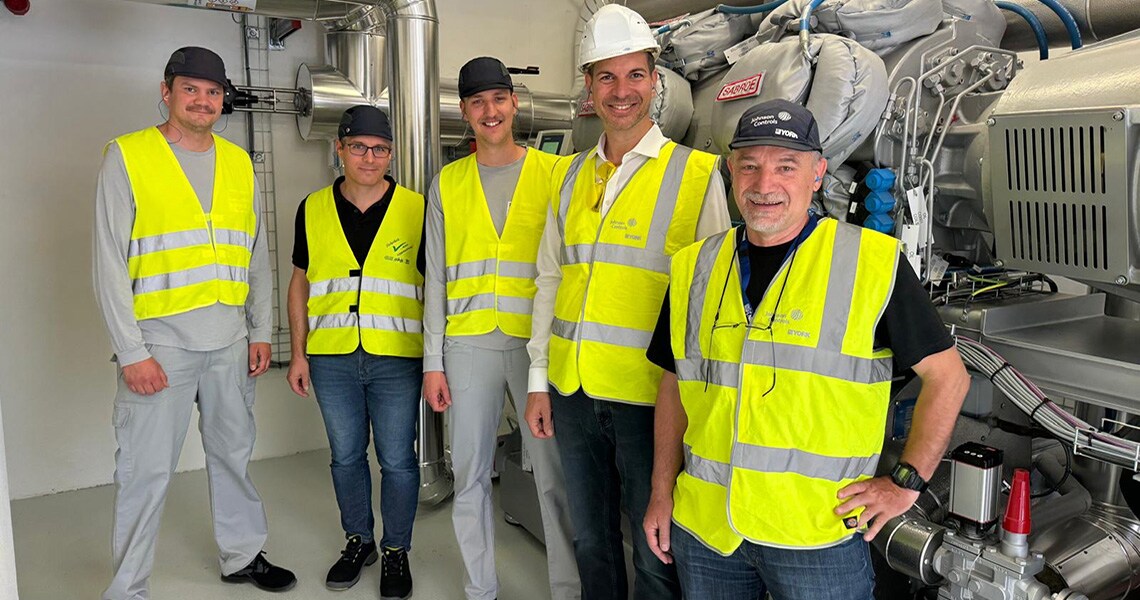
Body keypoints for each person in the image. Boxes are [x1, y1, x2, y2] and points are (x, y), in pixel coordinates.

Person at [642, 99, 971, 600]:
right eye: (749, 166)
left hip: (816, 533)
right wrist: (661, 491)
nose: (764, 184)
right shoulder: (694, 267)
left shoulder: (870, 263)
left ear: (817, 174)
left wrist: (905, 482)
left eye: (786, 167)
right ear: (732, 172)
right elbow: (674, 384)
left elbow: (949, 378)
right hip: (708, 530)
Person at [523, 5, 732, 599]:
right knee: (591, 540)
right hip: (573, 390)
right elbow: (548, 281)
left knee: (654, 548)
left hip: (652, 402)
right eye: (607, 78)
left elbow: (710, 305)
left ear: (655, 81)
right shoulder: (568, 177)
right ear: (588, 88)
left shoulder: (697, 175)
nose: (622, 92)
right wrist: (540, 379)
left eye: (635, 75)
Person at [93, 46, 295, 599]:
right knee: (145, 471)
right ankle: (128, 588)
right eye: (191, 89)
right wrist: (131, 351)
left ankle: (242, 555)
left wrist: (259, 330)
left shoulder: (236, 160)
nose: (204, 100)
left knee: (233, 454)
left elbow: (255, 256)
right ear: (167, 91)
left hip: (229, 340)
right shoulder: (128, 156)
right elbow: (108, 259)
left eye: (213, 92)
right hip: (160, 344)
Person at [421, 57, 580, 600]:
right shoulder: (448, 182)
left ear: (514, 103)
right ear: (464, 112)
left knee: (552, 475)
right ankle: (479, 590)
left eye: (498, 99)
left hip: (536, 347)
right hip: (466, 346)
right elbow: (436, 277)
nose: (489, 111)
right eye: (477, 102)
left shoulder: (556, 174)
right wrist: (433, 362)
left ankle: (567, 587)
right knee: (468, 477)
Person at [285, 105, 422, 599]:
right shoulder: (312, 207)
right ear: (339, 149)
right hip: (332, 357)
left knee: (398, 461)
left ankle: (396, 551)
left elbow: (438, 288)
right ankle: (359, 539)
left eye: (380, 148)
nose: (370, 157)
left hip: (396, 358)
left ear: (391, 153)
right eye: (359, 146)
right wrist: (299, 353)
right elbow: (299, 283)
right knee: (345, 457)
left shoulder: (418, 209)